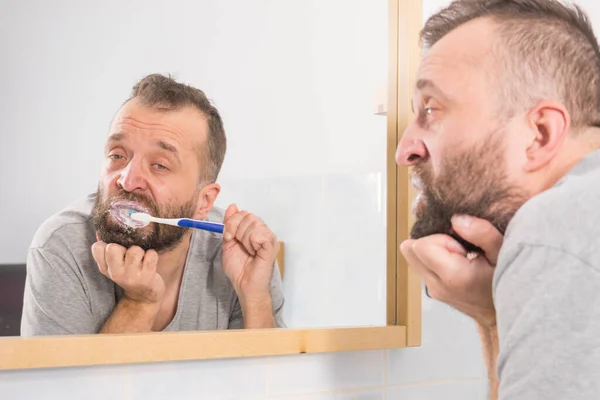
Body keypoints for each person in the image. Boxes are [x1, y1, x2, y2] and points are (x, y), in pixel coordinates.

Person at [396, 0, 600, 399]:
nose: (404, 150)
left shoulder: (557, 224)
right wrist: (492, 318)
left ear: (538, 133)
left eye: (431, 109)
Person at [21, 74, 284, 335]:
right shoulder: (63, 245)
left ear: (204, 201)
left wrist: (256, 298)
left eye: (159, 165)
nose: (127, 179)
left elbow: (271, 377)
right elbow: (70, 379)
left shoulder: (240, 252)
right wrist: (139, 302)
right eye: (117, 155)